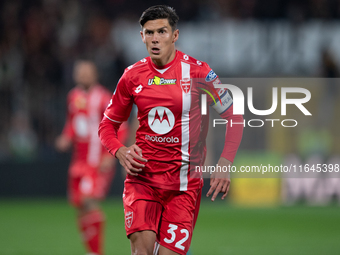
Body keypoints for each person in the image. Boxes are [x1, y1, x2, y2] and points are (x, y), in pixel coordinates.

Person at [98, 5, 243, 255]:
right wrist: (119, 151)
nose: (155, 39)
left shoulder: (200, 73)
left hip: (184, 186)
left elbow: (235, 117)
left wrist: (225, 162)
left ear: (175, 35)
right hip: (142, 180)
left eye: (162, 31)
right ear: (141, 37)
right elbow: (107, 125)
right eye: (149, 32)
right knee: (141, 252)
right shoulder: (132, 76)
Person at [55, 60, 128, 255]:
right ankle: (92, 251)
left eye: (87, 72)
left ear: (95, 75)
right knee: (79, 206)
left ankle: (96, 252)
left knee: (88, 201)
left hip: (97, 161)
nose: (83, 76)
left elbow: (120, 125)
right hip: (78, 161)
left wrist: (112, 154)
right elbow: (72, 123)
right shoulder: (74, 96)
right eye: (80, 73)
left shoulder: (104, 98)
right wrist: (66, 137)